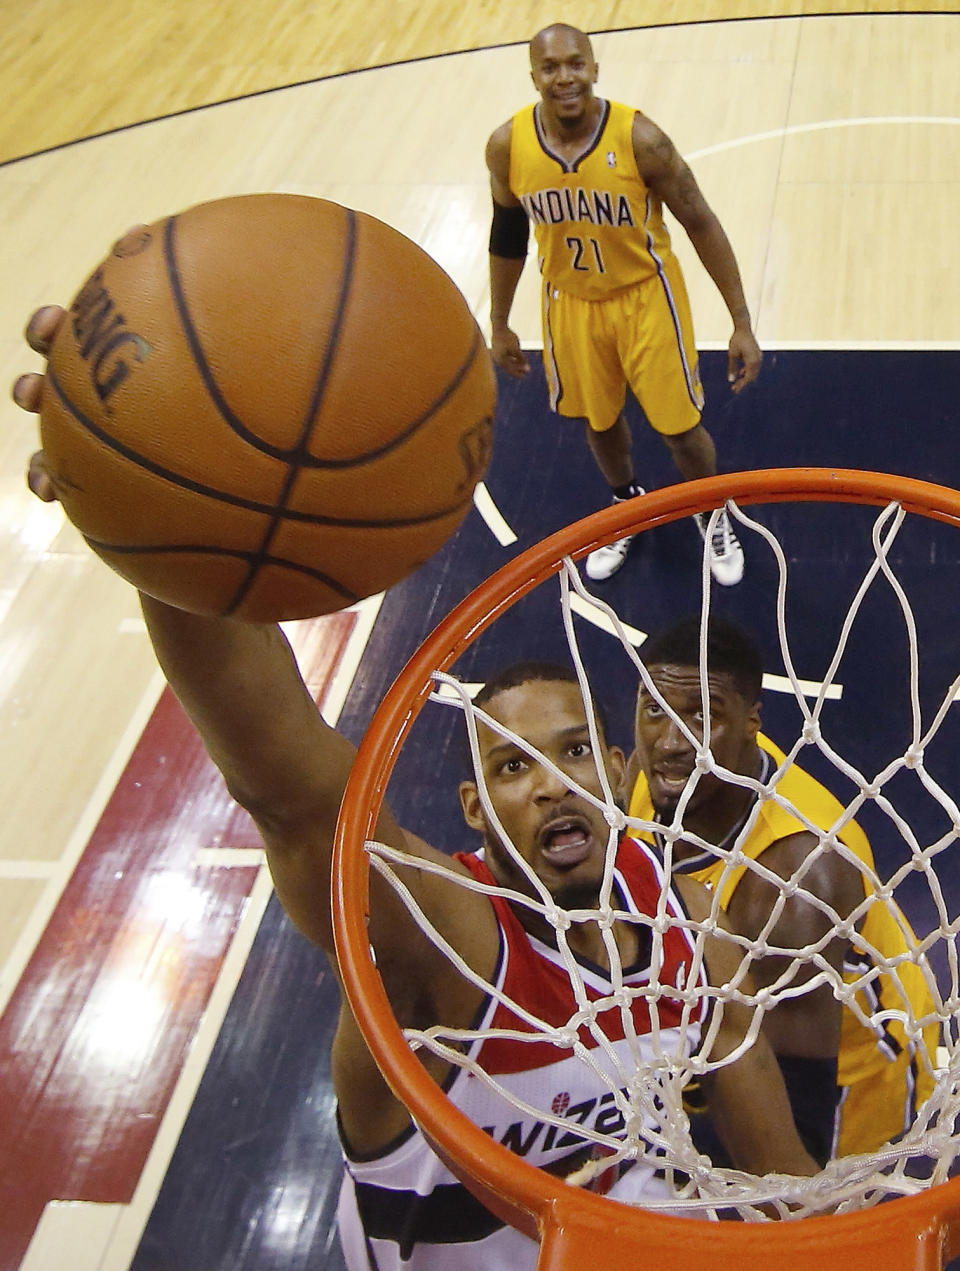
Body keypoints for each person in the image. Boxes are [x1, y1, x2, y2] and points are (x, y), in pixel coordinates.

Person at [13, 308, 816, 1270]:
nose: (553, 786)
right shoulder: (448, 941)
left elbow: (781, 1178)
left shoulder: (684, 920)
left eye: (573, 753)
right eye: (513, 768)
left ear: (619, 770)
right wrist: (160, 524)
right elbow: (294, 792)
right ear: (474, 810)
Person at [624, 614, 940, 1164]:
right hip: (738, 1018)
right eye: (655, 709)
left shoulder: (794, 881)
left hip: (852, 1075)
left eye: (704, 716)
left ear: (751, 722)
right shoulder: (662, 774)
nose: (672, 741)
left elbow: (792, 1119)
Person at [486, 23, 762, 586]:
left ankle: (712, 514)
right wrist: (499, 321)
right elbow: (507, 234)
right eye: (550, 67)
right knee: (599, 420)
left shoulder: (641, 139)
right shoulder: (507, 145)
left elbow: (701, 221)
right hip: (570, 303)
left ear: (594, 66)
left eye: (575, 63)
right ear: (533, 74)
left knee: (680, 429)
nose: (565, 77)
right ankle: (625, 502)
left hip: (645, 299)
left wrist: (741, 321)